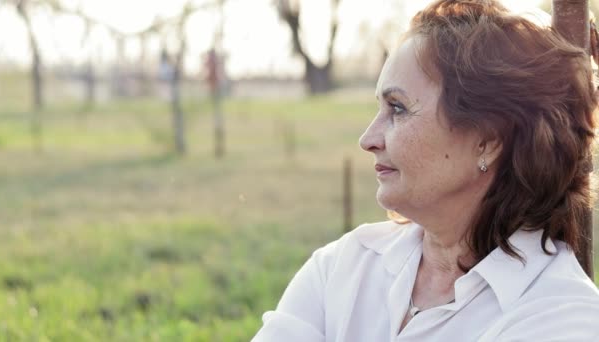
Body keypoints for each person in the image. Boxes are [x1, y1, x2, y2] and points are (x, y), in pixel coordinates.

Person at [253, 0, 599, 340]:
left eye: (398, 109)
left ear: (489, 140)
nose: (368, 139)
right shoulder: (345, 266)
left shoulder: (560, 316)